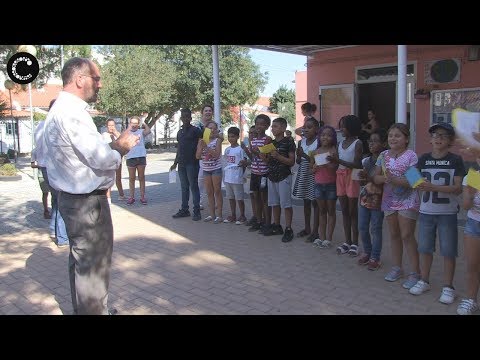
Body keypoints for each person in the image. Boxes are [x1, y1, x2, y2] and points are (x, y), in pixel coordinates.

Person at [43, 57, 139, 315]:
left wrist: (112, 147)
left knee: (82, 264)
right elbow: (101, 158)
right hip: (87, 204)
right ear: (79, 80)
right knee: (93, 268)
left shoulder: (56, 112)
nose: (100, 84)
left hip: (70, 199)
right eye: (96, 78)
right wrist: (121, 147)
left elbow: (50, 157)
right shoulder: (72, 114)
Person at [408, 123, 465, 303]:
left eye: (443, 135)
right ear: (430, 139)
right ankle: (424, 279)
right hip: (426, 211)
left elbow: (457, 189)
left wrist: (433, 187)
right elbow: (412, 177)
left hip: (447, 213)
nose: (438, 138)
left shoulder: (456, 160)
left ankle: (448, 286)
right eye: (435, 134)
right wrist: (417, 182)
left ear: (451, 141)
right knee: (424, 248)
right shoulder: (423, 158)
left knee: (448, 250)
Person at [373, 123, 421, 290]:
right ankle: (397, 268)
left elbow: (414, 182)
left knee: (407, 235)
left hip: (408, 200)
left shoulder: (411, 156)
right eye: (390, 135)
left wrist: (394, 180)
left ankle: (415, 272)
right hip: (389, 200)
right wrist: (382, 179)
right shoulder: (383, 155)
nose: (393, 138)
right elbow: (375, 176)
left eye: (397, 135)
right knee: (394, 234)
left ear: (406, 139)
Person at [327, 115, 363, 256]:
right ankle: (347, 241)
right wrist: (329, 161)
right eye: (340, 125)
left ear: (352, 127)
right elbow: (336, 163)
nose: (341, 129)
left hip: (352, 177)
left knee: (353, 211)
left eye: (344, 126)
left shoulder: (358, 143)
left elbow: (357, 164)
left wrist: (338, 160)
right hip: (340, 176)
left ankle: (355, 243)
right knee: (344, 211)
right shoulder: (340, 144)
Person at [260, 118, 296, 242]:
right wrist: (263, 157)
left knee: (286, 204)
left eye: (275, 126)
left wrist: (279, 156)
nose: (272, 129)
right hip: (272, 176)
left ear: (283, 128)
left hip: (284, 176)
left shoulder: (289, 142)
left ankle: (288, 229)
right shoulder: (272, 144)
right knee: (274, 203)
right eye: (272, 126)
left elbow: (291, 162)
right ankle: (276, 225)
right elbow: (269, 161)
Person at [357, 128, 388, 270]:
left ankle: (375, 256)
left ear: (384, 143)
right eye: (370, 141)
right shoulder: (365, 161)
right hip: (365, 198)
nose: (371, 144)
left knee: (376, 228)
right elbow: (362, 182)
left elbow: (382, 180)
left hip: (379, 200)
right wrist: (361, 177)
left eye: (375, 141)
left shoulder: (387, 161)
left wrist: (370, 177)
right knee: (363, 227)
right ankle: (367, 252)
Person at [170, 108, 202, 221]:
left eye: (187, 116)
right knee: (184, 188)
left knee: (193, 186)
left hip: (192, 163)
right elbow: (179, 148)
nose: (185, 119)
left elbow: (204, 140)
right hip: (182, 164)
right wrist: (175, 163)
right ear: (181, 118)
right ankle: (184, 209)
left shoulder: (196, 130)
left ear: (190, 118)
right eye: (183, 117)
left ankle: (197, 211)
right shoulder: (180, 132)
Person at [457, 164, 480, 314]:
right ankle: (471, 300)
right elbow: (466, 206)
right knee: (472, 264)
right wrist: (470, 194)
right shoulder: (473, 176)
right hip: (474, 224)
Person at [311, 125, 338, 248]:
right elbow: (311, 169)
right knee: (322, 211)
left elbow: (335, 168)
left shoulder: (334, 151)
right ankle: (321, 237)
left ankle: (329, 238)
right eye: (322, 135)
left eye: (328, 135)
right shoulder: (316, 151)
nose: (325, 137)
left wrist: (328, 163)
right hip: (318, 184)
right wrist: (315, 168)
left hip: (331, 184)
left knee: (331, 211)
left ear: (333, 137)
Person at [292, 117, 319, 242]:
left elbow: (318, 161)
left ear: (316, 129)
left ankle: (315, 231)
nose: (306, 129)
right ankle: (307, 227)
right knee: (306, 201)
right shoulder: (301, 142)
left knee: (315, 202)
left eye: (310, 127)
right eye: (305, 127)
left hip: (314, 173)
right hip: (303, 171)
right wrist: (299, 156)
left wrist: (303, 155)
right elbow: (298, 161)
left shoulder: (318, 142)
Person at [247, 114, 272, 234]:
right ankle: (258, 220)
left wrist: (257, 153)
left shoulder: (267, 140)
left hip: (264, 173)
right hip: (254, 172)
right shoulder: (253, 140)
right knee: (256, 198)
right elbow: (252, 157)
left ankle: (267, 223)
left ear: (267, 126)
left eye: (262, 124)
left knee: (264, 199)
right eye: (257, 124)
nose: (259, 126)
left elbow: (267, 159)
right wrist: (250, 152)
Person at [196, 121, 224, 223]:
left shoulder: (217, 141)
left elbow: (216, 155)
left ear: (216, 130)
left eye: (214, 128)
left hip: (216, 169)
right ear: (205, 130)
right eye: (209, 128)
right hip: (206, 170)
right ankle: (212, 215)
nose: (212, 130)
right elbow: (198, 156)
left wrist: (206, 148)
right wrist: (201, 146)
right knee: (209, 192)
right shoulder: (202, 141)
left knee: (217, 191)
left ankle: (219, 215)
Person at [223, 127, 248, 224]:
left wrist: (242, 167)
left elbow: (245, 162)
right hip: (228, 178)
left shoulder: (241, 149)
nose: (230, 139)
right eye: (229, 137)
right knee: (230, 197)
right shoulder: (227, 150)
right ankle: (233, 215)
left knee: (239, 198)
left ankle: (242, 215)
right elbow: (226, 161)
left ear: (237, 137)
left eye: (233, 137)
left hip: (237, 178)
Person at [125, 116, 151, 205]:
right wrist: (128, 128)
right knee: (131, 178)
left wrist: (143, 122)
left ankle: (142, 197)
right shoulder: (127, 132)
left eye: (136, 123)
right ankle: (131, 197)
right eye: (132, 123)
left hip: (141, 157)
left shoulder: (141, 132)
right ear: (130, 123)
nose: (134, 125)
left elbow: (148, 131)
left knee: (141, 177)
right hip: (130, 157)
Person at [102, 118, 126, 204]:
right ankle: (108, 198)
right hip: (108, 159)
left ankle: (121, 194)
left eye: (112, 125)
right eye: (109, 125)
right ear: (106, 126)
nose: (111, 127)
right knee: (109, 178)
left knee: (118, 177)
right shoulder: (104, 135)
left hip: (117, 158)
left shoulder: (117, 134)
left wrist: (115, 132)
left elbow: (122, 141)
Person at [30, 140, 51, 220]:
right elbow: (32, 164)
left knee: (55, 194)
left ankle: (55, 211)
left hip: (52, 174)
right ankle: (46, 211)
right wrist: (40, 165)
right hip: (41, 174)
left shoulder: (49, 149)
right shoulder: (34, 151)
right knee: (45, 193)